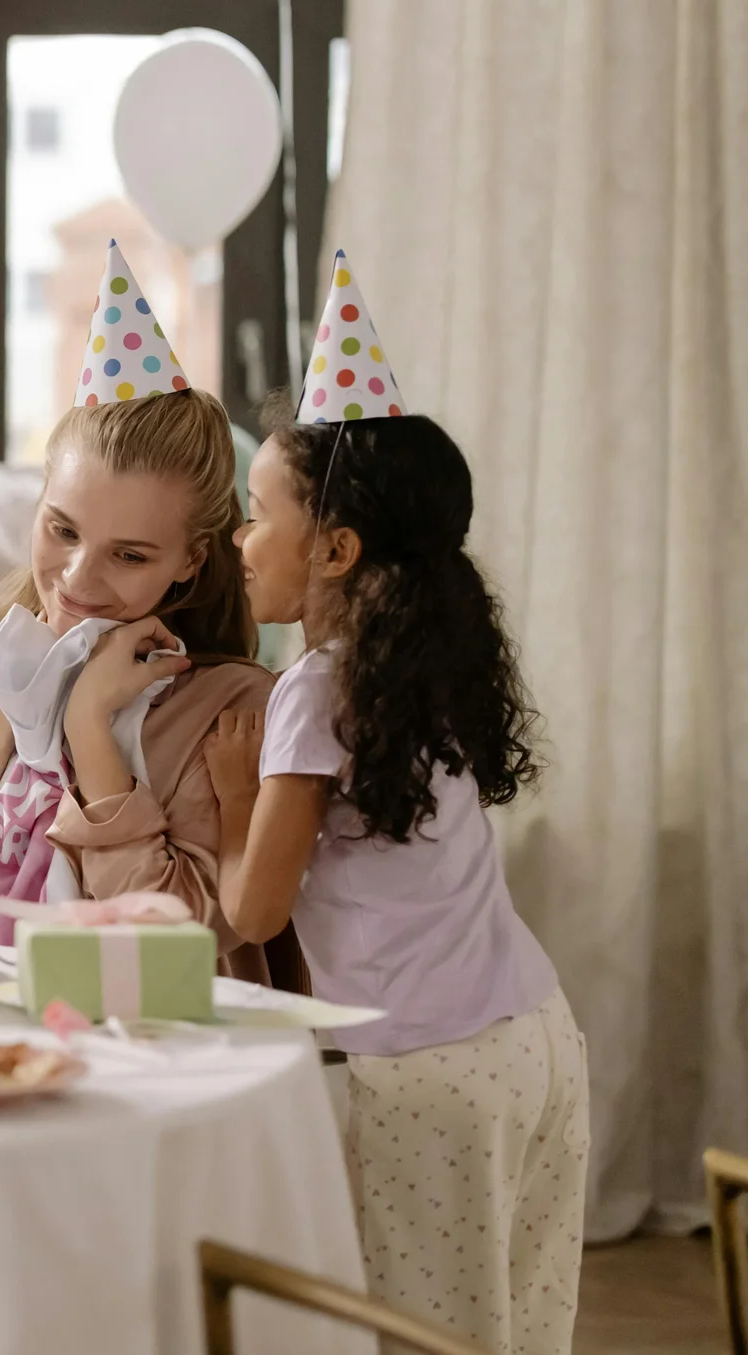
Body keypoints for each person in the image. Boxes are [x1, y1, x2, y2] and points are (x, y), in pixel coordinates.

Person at [204, 255, 584, 1354]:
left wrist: (233, 798)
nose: (238, 539)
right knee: (519, 1328)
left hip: (425, 1077)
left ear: (332, 547)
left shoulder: (312, 689)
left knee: (423, 1339)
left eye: (255, 515)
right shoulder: (433, 661)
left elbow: (258, 910)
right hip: (535, 1036)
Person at [0, 245, 301, 988]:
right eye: (62, 530)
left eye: (130, 555)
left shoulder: (235, 709)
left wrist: (90, 732)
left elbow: (182, 948)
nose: (79, 580)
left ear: (190, 559)